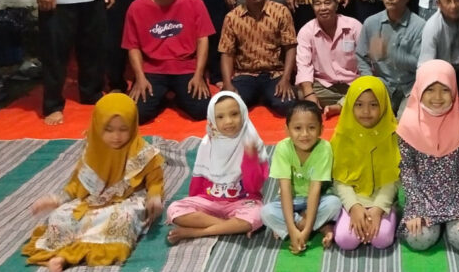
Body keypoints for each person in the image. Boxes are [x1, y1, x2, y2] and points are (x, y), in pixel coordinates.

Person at [23, 94, 164, 272]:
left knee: (121, 219)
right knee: (60, 217)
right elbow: (77, 183)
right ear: (97, 126)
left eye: (123, 129)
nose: (116, 136)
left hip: (125, 201)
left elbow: (155, 180)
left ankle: (66, 257)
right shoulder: (93, 148)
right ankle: (64, 254)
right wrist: (56, 200)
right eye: (109, 130)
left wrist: (154, 197)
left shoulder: (143, 152)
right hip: (91, 201)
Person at [397, 60, 459, 251]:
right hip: (422, 198)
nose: (437, 97)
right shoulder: (407, 125)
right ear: (419, 89)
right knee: (418, 239)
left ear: (454, 90)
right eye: (430, 90)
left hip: (457, 198)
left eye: (445, 90)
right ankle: (438, 224)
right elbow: (408, 171)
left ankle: (451, 222)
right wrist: (416, 208)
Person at [122, 0, 214, 124]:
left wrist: (199, 75)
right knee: (137, 114)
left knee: (202, 110)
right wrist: (140, 78)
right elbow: (132, 46)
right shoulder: (136, 7)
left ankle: (179, 97)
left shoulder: (195, 3)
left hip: (186, 68)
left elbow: (203, 39)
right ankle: (162, 98)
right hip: (152, 69)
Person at [166, 91, 269, 243]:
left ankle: (196, 232)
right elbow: (198, 183)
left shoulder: (251, 142)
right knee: (174, 209)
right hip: (209, 201)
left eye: (234, 114)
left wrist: (250, 159)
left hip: (242, 201)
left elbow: (254, 188)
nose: (228, 121)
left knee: (259, 214)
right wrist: (194, 201)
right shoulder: (208, 143)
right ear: (212, 120)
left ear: (243, 113)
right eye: (220, 117)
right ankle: (231, 226)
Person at [261, 101, 342, 253]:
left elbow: (315, 190)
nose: (304, 134)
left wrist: (305, 231)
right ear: (287, 130)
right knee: (266, 212)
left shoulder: (324, 148)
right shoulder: (283, 148)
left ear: (321, 129)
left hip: (318, 198)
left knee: (335, 204)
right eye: (297, 128)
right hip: (291, 200)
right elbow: (285, 190)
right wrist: (292, 229)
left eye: (311, 128)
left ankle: (295, 227)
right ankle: (320, 226)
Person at [331, 76, 400, 250]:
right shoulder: (342, 137)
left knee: (381, 239)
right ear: (349, 105)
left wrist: (378, 209)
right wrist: (353, 206)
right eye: (359, 105)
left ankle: (391, 214)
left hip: (382, 200)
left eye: (374, 105)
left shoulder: (393, 135)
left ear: (383, 105)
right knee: (345, 240)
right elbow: (339, 179)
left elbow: (393, 179)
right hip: (353, 200)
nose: (366, 111)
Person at [219, 0, 297, 117]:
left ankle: (264, 95)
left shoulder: (281, 12)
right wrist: (227, 84)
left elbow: (291, 47)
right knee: (228, 106)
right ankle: (259, 95)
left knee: (287, 106)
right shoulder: (232, 17)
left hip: (274, 74)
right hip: (245, 74)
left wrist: (286, 79)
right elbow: (226, 53)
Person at [356, 0, 425, 116]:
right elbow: (360, 56)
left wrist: (395, 54)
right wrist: (369, 81)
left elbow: (421, 65)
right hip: (383, 84)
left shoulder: (419, 26)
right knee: (365, 115)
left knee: (404, 123)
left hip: (410, 87)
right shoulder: (371, 23)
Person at [296, 0, 362, 109]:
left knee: (372, 88)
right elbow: (304, 65)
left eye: (327, 2)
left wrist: (363, 85)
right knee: (301, 93)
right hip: (324, 86)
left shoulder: (354, 26)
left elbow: (366, 60)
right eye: (317, 3)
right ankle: (347, 103)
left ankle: (339, 106)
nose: (323, 8)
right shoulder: (306, 31)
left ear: (336, 5)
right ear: (313, 7)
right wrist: (309, 94)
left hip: (353, 83)